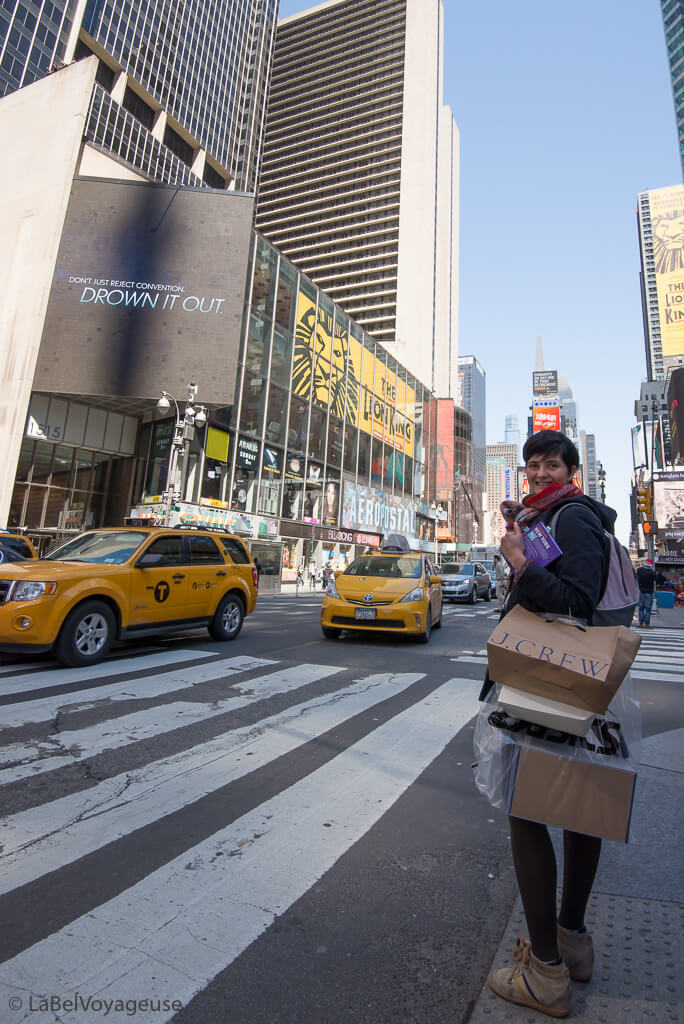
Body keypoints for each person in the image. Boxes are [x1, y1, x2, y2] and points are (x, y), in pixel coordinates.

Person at [486, 429, 615, 1019]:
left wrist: (517, 562)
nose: (540, 472)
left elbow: (577, 602)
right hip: (564, 682)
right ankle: (572, 945)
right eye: (533, 464)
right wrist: (525, 537)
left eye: (551, 464)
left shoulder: (575, 518)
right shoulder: (551, 518)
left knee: (529, 812)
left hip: (554, 682)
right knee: (573, 810)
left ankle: (545, 972)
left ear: (572, 470)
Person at [636, 558, 657, 628]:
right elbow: (655, 580)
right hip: (649, 592)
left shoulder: (639, 570)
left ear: (645, 563)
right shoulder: (652, 573)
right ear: (650, 565)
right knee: (648, 609)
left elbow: (636, 578)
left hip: (641, 591)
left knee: (641, 608)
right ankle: (647, 625)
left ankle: (640, 624)